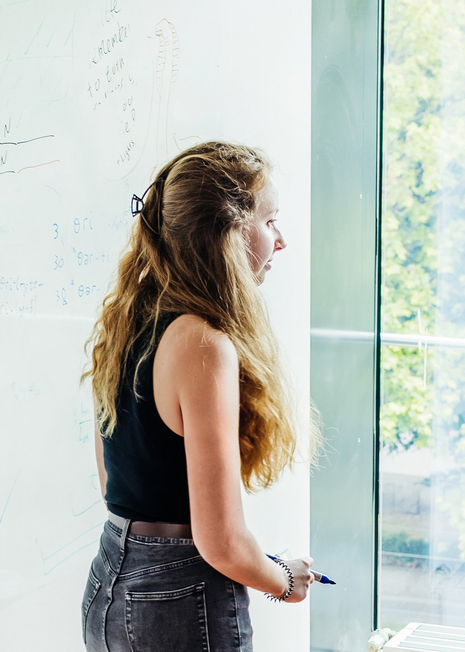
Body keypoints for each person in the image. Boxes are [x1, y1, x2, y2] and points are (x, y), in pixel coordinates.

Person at [80, 141, 319, 652]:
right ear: (228, 233)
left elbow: (112, 483)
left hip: (109, 581)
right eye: (270, 220)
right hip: (174, 599)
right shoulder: (204, 345)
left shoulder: (131, 320)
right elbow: (222, 542)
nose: (280, 241)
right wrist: (284, 580)